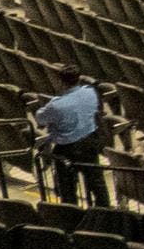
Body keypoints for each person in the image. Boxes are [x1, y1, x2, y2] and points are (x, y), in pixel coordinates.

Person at [36, 69, 107, 207]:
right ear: (79, 79)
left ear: (60, 82)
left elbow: (40, 118)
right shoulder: (90, 93)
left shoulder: (56, 105)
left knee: (67, 188)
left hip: (67, 149)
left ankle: (72, 213)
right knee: (97, 183)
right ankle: (106, 212)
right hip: (90, 142)